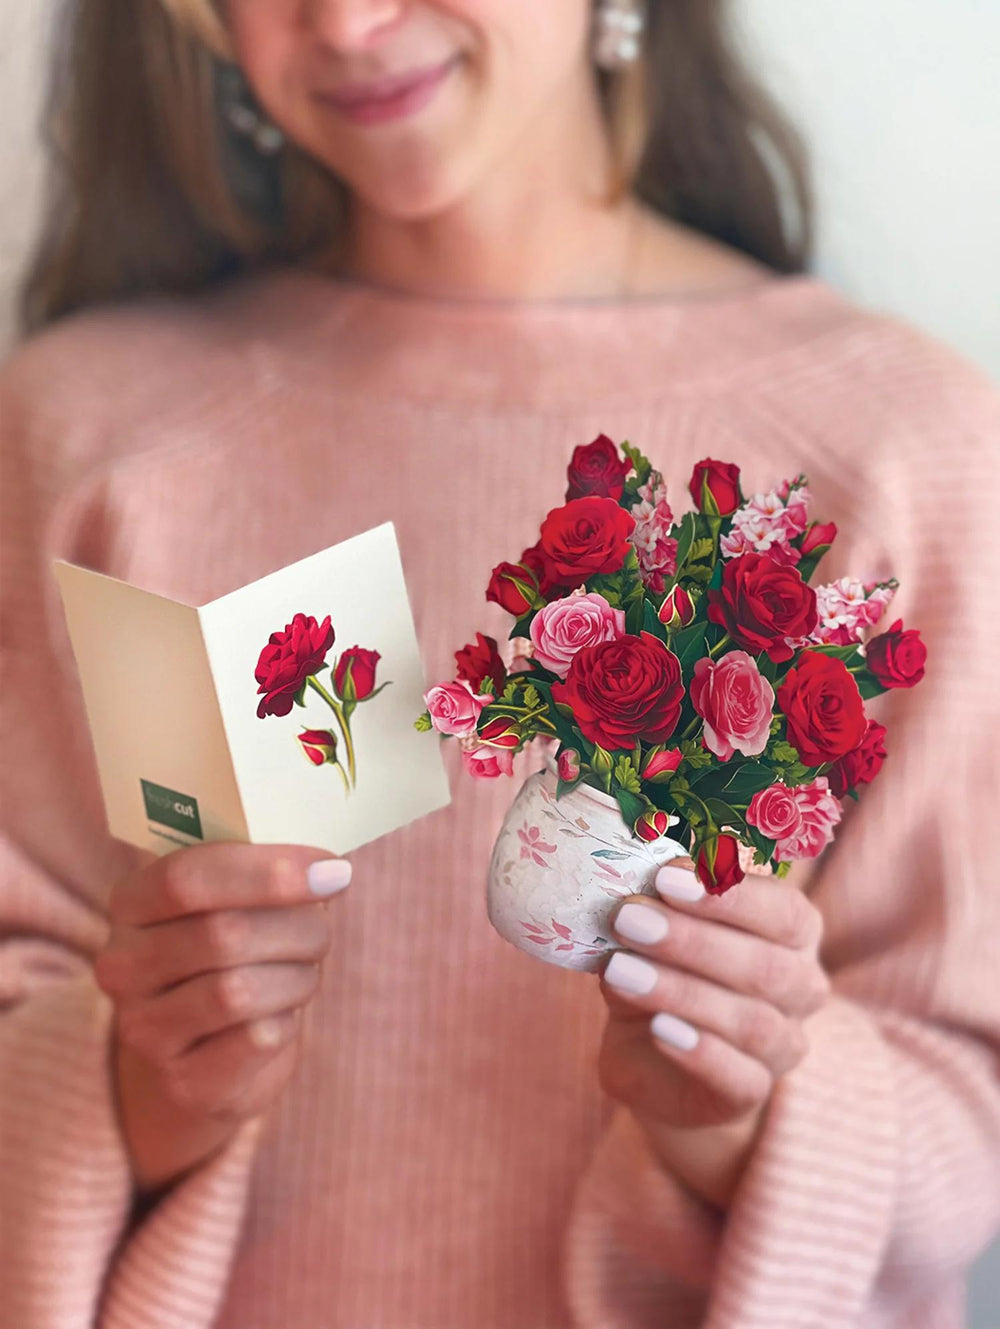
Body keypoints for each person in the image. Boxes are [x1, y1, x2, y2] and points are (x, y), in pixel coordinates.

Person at [1, 1, 998, 1325]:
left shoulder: (905, 454)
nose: (349, 20)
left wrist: (741, 1112)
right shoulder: (85, 436)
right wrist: (139, 1081)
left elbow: (966, 1113)